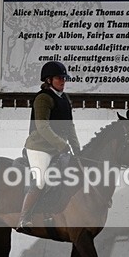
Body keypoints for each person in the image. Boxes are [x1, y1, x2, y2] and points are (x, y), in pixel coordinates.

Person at [17, 61, 81, 232]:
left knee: (69, 175)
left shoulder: (64, 98)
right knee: (40, 180)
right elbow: (42, 126)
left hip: (58, 148)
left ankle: (50, 212)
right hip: (39, 147)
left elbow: (70, 126)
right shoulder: (43, 98)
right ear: (49, 80)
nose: (63, 81)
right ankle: (24, 218)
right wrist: (62, 145)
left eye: (64, 78)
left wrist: (77, 148)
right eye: (59, 78)